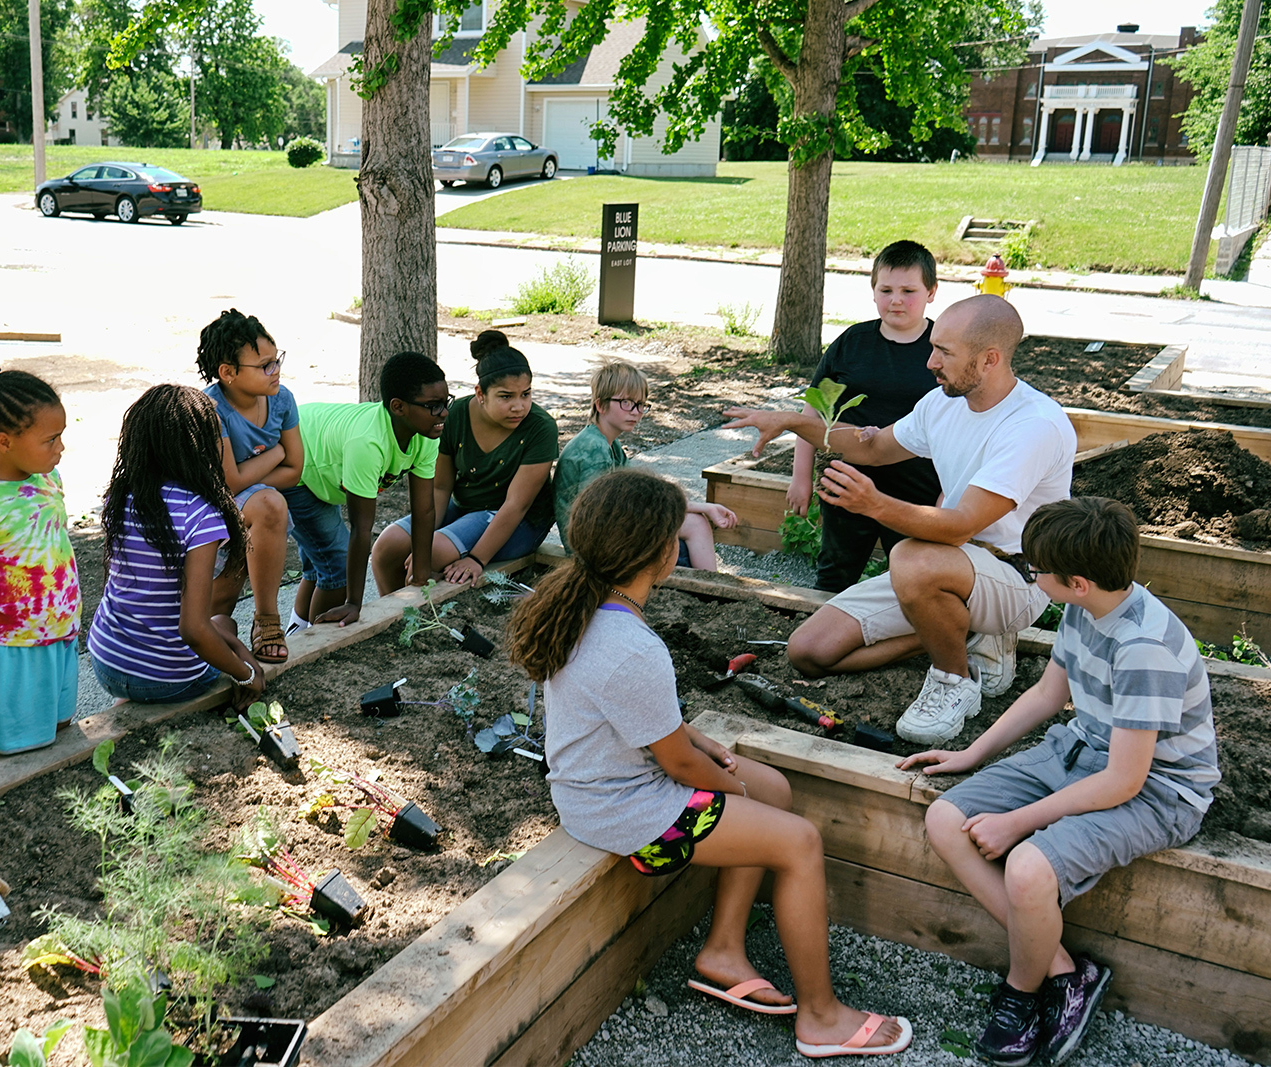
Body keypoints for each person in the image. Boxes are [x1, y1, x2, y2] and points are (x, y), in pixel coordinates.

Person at [506, 469, 912, 1058]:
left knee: (771, 786)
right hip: (626, 814)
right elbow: (679, 767)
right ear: (659, 554)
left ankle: (723, 950)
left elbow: (631, 714)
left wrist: (699, 741)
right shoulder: (633, 645)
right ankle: (822, 1019)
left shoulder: (590, 607)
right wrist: (729, 787)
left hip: (599, 787)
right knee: (797, 841)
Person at [899, 497, 1217, 1067]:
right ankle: (1066, 972)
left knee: (1026, 866)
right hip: (1087, 751)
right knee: (944, 818)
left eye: (1034, 570)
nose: (1029, 575)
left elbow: (1125, 781)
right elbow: (1048, 695)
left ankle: (1022, 992)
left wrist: (1019, 822)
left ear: (1075, 581)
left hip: (1160, 790)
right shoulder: (1085, 607)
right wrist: (972, 753)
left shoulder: (1143, 649)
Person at [723, 295, 1076, 746]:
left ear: (990, 359)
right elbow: (871, 447)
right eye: (933, 348)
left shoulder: (1033, 425)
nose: (930, 362)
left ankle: (954, 681)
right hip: (949, 567)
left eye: (944, 352)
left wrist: (874, 503)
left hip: (1016, 576)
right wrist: (794, 421)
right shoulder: (942, 404)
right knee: (808, 652)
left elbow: (961, 524)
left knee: (910, 556)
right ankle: (964, 632)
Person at [88, 385, 267, 707]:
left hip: (105, 661)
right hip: (169, 679)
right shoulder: (200, 513)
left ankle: (126, 700)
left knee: (216, 626)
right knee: (222, 622)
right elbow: (193, 629)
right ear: (201, 447)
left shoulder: (121, 496)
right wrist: (246, 675)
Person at [788, 241, 943, 593]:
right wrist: (801, 478)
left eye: (909, 291)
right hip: (846, 479)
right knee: (834, 574)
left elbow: (960, 428)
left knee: (910, 580)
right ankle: (822, 643)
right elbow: (812, 411)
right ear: (873, 291)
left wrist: (947, 497)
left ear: (931, 292)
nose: (896, 300)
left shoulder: (943, 347)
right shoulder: (852, 343)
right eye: (885, 290)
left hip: (915, 490)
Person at [0, 362, 81, 756]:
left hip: (58, 634)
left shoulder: (46, 477)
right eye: (50, 440)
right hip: (10, 647)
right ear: (4, 442)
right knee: (11, 751)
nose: (60, 449)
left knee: (57, 735)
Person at [373, 331, 557, 593]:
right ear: (480, 393)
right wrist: (424, 538)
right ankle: (393, 616)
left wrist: (476, 559)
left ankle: (417, 620)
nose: (519, 406)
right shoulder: (455, 415)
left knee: (431, 553)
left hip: (518, 522)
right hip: (465, 506)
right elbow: (439, 488)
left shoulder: (540, 428)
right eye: (506, 396)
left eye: (525, 394)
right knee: (387, 546)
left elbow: (517, 505)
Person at [282, 351, 448, 630]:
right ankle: (314, 644)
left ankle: (297, 632)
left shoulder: (427, 431)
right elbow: (361, 527)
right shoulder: (368, 443)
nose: (443, 413)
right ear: (398, 407)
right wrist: (353, 603)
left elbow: (424, 509)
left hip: (323, 469)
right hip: (297, 465)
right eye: (433, 405)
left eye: (446, 403)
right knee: (335, 564)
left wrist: (421, 577)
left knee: (318, 562)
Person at [552, 359, 737, 568]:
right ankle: (710, 590)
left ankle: (706, 585)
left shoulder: (608, 444)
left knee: (691, 524)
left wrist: (704, 507)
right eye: (626, 402)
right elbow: (597, 516)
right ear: (600, 405)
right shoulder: (594, 449)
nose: (635, 411)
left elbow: (644, 496)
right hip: (592, 551)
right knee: (694, 526)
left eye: (640, 405)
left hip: (604, 537)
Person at [197, 308, 302, 664]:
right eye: (265, 365)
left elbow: (296, 470)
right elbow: (228, 483)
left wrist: (252, 475)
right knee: (212, 610)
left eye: (277, 360)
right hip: (207, 511)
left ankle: (266, 620)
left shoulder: (282, 399)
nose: (276, 371)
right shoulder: (210, 407)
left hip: (252, 507)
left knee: (270, 504)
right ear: (228, 373)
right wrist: (275, 453)